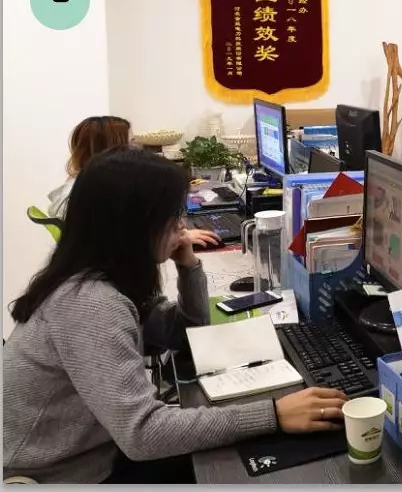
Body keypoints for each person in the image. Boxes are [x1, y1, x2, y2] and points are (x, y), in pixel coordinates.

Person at [4, 147, 346, 484]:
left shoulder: (105, 276)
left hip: (100, 451)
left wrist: (188, 265)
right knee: (249, 467)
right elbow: (143, 433)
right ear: (133, 225)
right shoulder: (90, 303)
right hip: (63, 475)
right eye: (172, 216)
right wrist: (273, 413)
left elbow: (184, 335)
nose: (182, 226)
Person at [46, 116, 219, 248]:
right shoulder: (82, 197)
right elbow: (120, 242)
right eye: (131, 143)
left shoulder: (87, 185)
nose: (138, 149)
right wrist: (176, 238)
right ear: (111, 150)